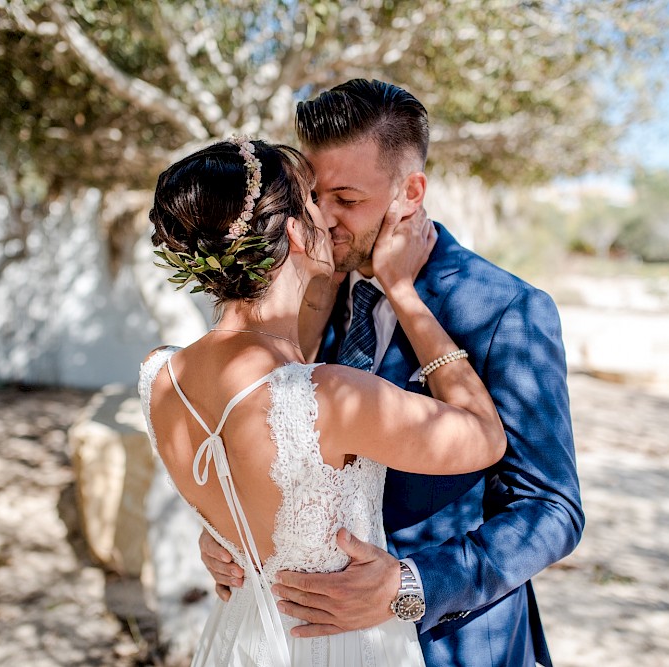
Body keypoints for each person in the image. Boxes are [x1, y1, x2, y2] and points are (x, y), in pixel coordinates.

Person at [200, 80, 585, 667]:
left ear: (410, 192)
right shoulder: (303, 294)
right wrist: (230, 534)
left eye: (347, 200)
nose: (322, 221)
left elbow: (553, 510)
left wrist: (409, 588)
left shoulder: (506, 310)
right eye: (313, 196)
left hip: (454, 646)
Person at [139, 136, 508, 666]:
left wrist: (223, 535)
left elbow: (242, 490)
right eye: (313, 199)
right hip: (335, 645)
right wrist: (403, 294)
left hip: (234, 637)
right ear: (294, 231)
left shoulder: (160, 374)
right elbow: (485, 436)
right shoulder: (329, 395)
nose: (329, 216)